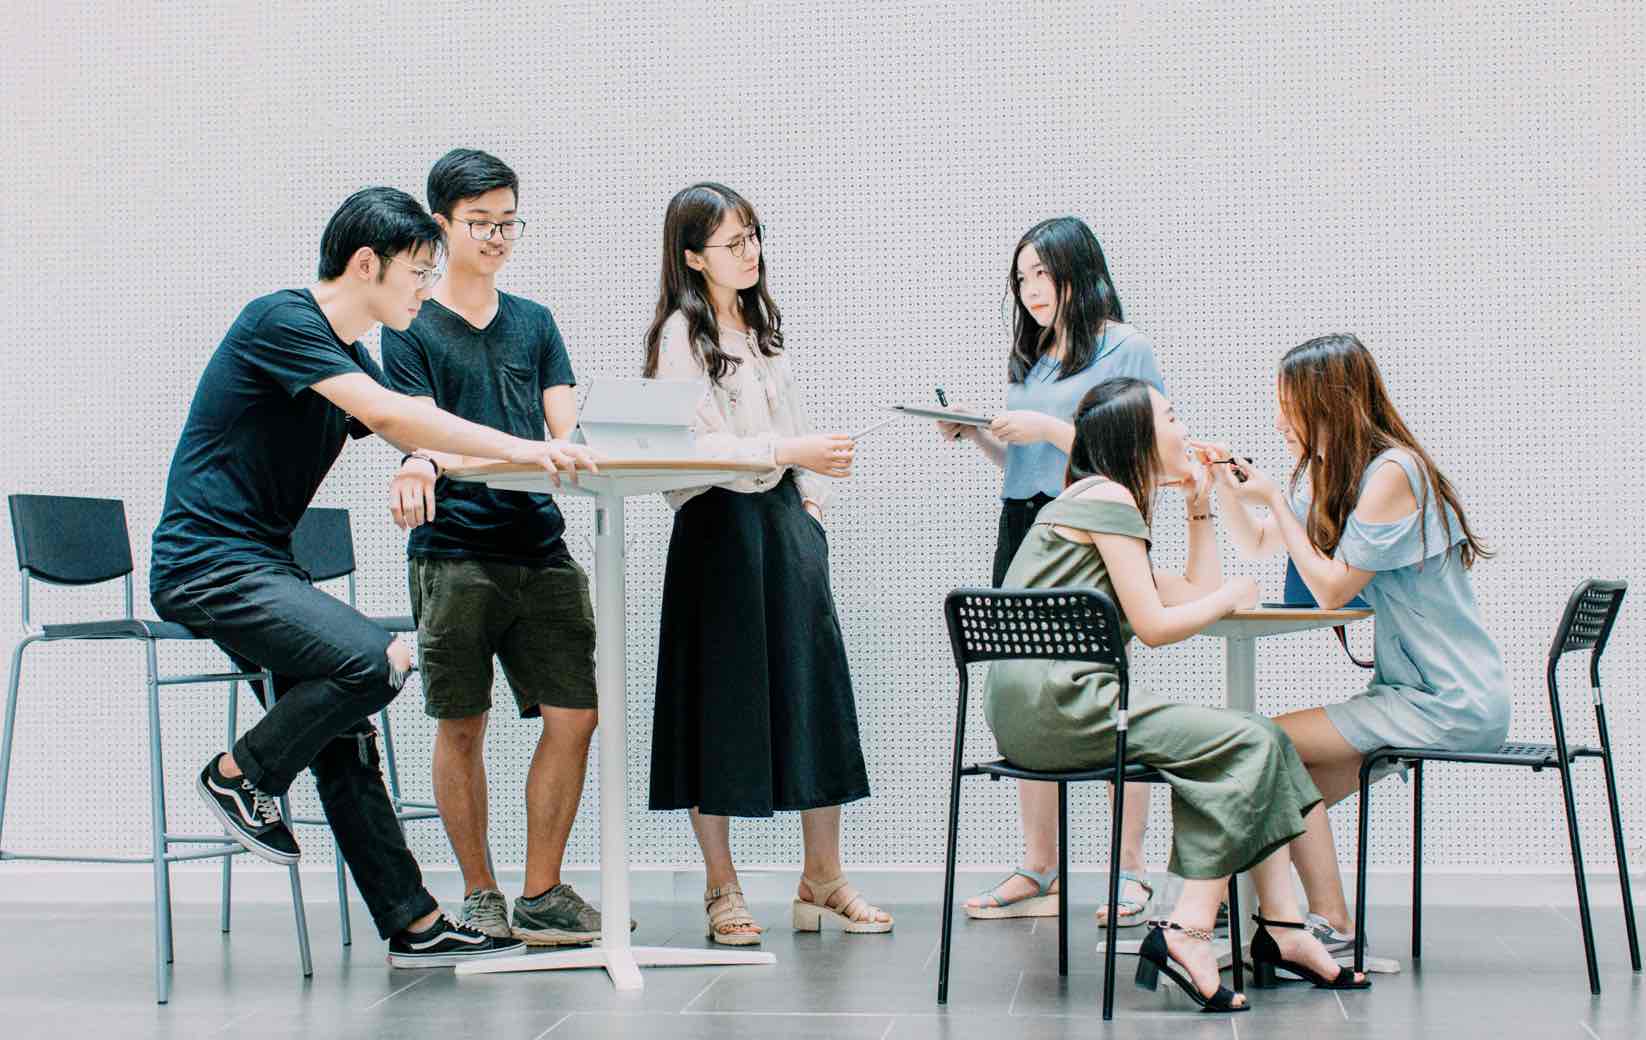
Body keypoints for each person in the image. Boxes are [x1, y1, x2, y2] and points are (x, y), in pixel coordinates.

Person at [152, 186, 595, 968]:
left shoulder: (347, 355)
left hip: (262, 564)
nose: (426, 290)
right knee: (375, 659)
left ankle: (414, 923)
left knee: (345, 738)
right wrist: (526, 448)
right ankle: (239, 775)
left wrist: (436, 457)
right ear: (367, 265)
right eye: (418, 273)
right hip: (207, 562)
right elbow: (393, 416)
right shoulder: (280, 321)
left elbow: (413, 426)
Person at [985, 376, 1369, 1011]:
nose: (1184, 429)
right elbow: (1159, 627)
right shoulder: (1109, 498)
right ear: (1138, 437)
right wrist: (1235, 593)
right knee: (1253, 739)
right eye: (1170, 417)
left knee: (1260, 742)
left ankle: (1283, 928)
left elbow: (1192, 591)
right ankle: (1189, 932)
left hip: (1033, 713)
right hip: (1068, 709)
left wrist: (1198, 506)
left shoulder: (1088, 500)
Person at [1211, 332, 1510, 971]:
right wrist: (1228, 491)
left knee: (1266, 741)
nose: (1279, 420)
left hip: (1448, 700)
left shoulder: (1394, 472)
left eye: (1288, 404)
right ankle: (1311, 925)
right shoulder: (1339, 475)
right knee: (1282, 782)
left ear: (1328, 401)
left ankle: (1307, 922)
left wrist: (1275, 499)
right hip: (1408, 693)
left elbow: (1331, 588)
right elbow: (1261, 544)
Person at [643, 182, 892, 944]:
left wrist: (809, 508)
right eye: (733, 242)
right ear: (693, 257)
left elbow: (797, 427)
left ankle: (824, 879)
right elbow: (692, 449)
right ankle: (722, 887)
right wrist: (789, 452)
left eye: (753, 236)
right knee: (717, 703)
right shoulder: (680, 337)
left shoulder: (760, 325)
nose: (750, 252)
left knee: (813, 692)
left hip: (783, 520)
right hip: (718, 529)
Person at [381, 149, 607, 946]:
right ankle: (480, 893)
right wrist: (426, 460)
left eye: (509, 222)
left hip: (540, 547)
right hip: (453, 553)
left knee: (575, 715)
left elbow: (563, 431)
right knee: (461, 724)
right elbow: (418, 430)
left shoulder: (535, 322)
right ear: (441, 225)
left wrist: (589, 442)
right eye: (480, 223)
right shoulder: (410, 326)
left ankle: (542, 891)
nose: (498, 237)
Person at [940, 217, 1163, 926]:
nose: (1031, 289)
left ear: (1079, 271)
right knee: (1025, 688)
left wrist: (1045, 428)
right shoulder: (1033, 359)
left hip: (1096, 525)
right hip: (1026, 525)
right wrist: (980, 434)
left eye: (1043, 273)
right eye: (1021, 277)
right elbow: (1025, 465)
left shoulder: (1126, 348)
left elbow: (1139, 453)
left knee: (1106, 689)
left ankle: (1130, 871)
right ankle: (1040, 867)